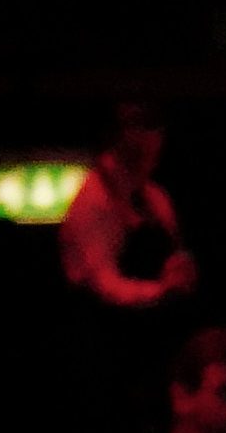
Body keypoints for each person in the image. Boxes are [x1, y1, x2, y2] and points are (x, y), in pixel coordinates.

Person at [53, 102, 196, 317]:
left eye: (153, 125)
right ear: (115, 134)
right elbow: (102, 285)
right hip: (107, 330)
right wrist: (161, 291)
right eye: (137, 124)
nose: (149, 137)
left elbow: (175, 252)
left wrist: (181, 269)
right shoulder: (94, 200)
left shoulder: (156, 197)